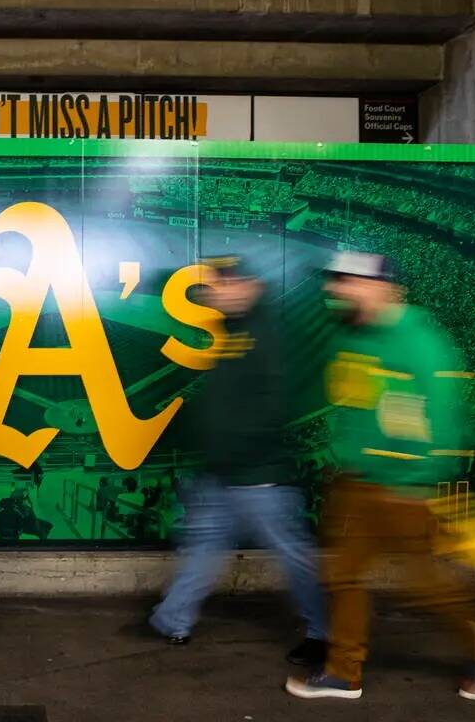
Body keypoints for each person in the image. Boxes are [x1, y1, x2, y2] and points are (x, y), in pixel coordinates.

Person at [286, 251, 475, 702]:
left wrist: (420, 481)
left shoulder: (419, 341)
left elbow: (448, 420)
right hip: (356, 482)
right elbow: (356, 405)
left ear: (386, 288)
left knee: (429, 588)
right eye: (337, 281)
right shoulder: (354, 334)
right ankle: (344, 673)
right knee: (344, 577)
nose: (338, 289)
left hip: (403, 488)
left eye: (350, 281)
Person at [150, 256, 328, 667]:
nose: (215, 290)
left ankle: (323, 632)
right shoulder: (234, 329)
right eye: (214, 284)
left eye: (224, 284)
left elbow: (276, 402)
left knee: (294, 556)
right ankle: (172, 619)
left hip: (260, 475)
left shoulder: (269, 332)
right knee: (203, 547)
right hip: (223, 473)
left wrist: (239, 449)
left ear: (250, 285)